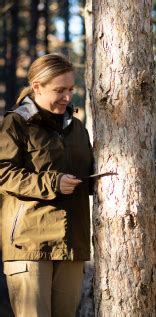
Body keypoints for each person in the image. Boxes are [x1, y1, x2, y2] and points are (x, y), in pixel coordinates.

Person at [0, 54, 93, 317]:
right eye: (59, 90)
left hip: (72, 244)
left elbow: (85, 175)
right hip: (29, 244)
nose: (66, 97)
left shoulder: (78, 129)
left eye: (70, 89)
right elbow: (2, 173)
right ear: (37, 86)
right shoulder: (15, 124)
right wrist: (52, 183)